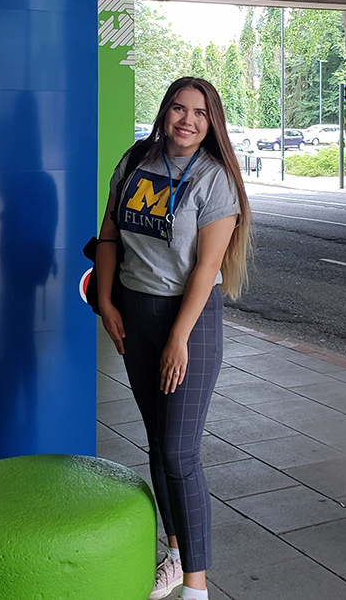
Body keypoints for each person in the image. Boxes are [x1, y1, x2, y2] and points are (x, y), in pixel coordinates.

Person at [95, 77, 251, 600]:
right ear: (165, 112)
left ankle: (196, 588)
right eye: (179, 109)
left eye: (200, 113)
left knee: (182, 453)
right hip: (135, 313)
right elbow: (111, 231)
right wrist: (107, 302)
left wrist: (178, 338)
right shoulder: (136, 160)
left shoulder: (214, 179)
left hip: (190, 321)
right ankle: (176, 553)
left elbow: (207, 269)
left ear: (212, 124)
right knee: (159, 446)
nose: (187, 120)